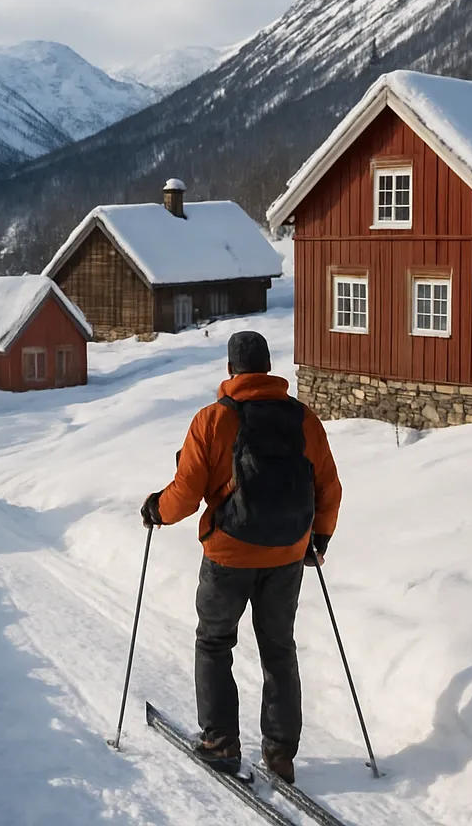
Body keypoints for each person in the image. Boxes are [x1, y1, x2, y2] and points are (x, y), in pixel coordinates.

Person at [141, 330, 342, 784]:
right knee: (278, 648)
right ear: (268, 368)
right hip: (287, 554)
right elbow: (329, 486)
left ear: (231, 369)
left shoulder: (212, 420)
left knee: (214, 644)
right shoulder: (304, 419)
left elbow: (186, 494)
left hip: (229, 556)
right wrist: (320, 539)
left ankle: (221, 742)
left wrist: (157, 509)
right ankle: (280, 753)